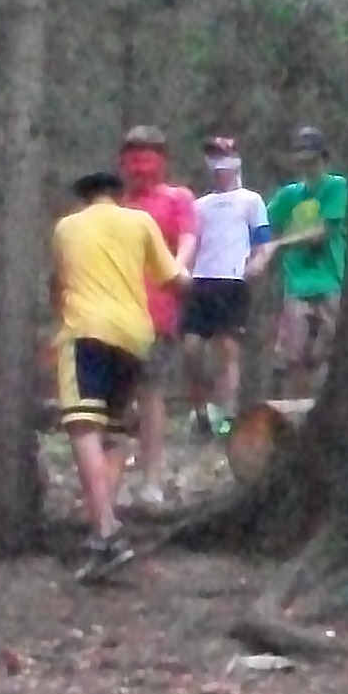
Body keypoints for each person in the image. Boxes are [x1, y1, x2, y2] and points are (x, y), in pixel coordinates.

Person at [49, 170, 186, 584]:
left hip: (86, 331)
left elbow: (59, 285)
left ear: (84, 198)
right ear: (118, 196)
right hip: (134, 337)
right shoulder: (140, 222)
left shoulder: (66, 228)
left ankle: (107, 533)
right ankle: (101, 531)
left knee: (83, 428)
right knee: (113, 435)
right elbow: (176, 280)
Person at [116, 124, 199, 509]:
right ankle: (113, 481)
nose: (140, 166)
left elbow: (187, 239)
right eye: (133, 157)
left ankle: (151, 480)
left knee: (150, 394)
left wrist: (178, 269)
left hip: (157, 310)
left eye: (148, 156)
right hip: (115, 311)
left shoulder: (177, 198)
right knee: (116, 398)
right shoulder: (117, 204)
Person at [181, 136, 272, 437]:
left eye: (224, 162)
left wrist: (258, 262)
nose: (219, 169)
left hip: (232, 281)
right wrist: (183, 269)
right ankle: (200, 410)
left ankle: (226, 414)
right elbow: (192, 242)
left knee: (227, 349)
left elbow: (262, 241)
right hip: (201, 281)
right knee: (192, 349)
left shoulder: (251, 201)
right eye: (214, 163)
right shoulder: (200, 205)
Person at [263, 124, 348, 399]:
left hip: (330, 281)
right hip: (298, 285)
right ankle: (295, 409)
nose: (307, 168)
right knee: (293, 355)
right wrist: (259, 251)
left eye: (312, 161)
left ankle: (320, 407)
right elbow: (263, 223)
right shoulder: (289, 195)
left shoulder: (336, 187)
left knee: (323, 352)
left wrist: (279, 244)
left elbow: (322, 232)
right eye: (301, 162)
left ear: (323, 158)